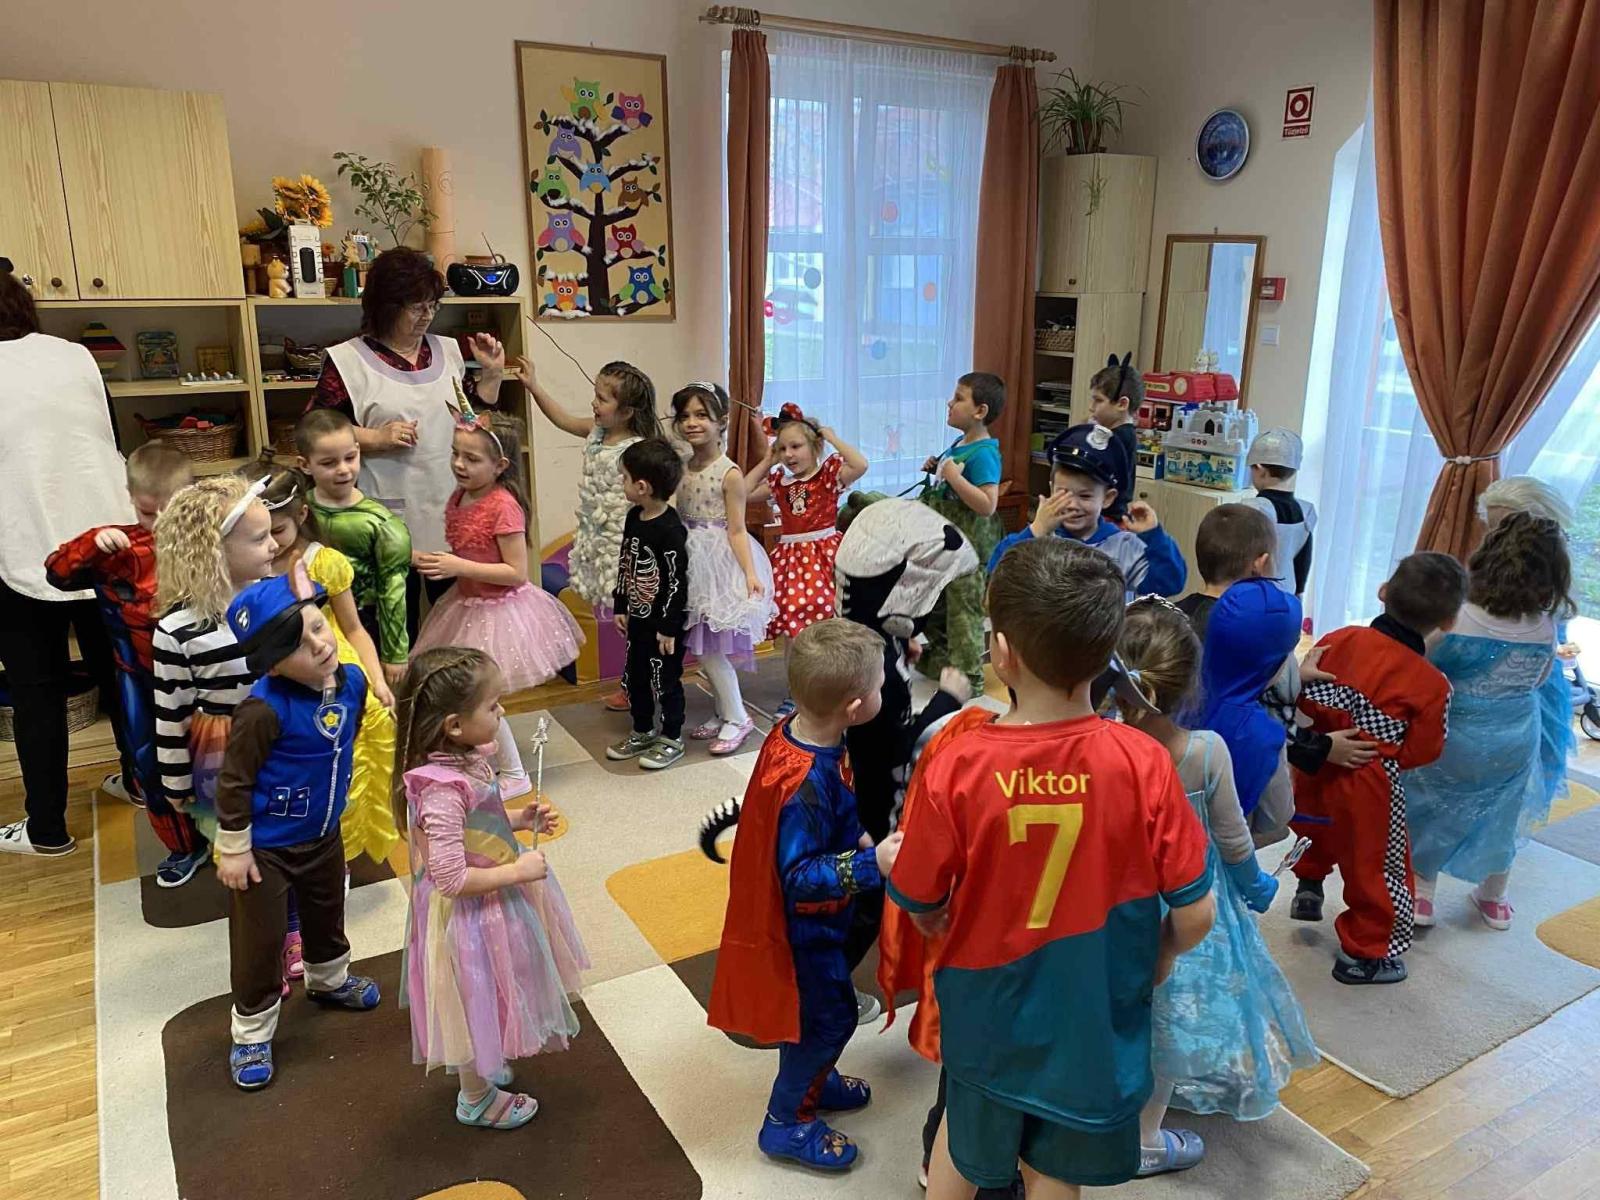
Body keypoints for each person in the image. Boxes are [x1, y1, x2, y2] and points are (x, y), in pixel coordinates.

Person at [887, 538, 1215, 1200]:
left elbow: (919, 896)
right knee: (1057, 1170)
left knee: (961, 1137)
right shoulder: (1145, 762)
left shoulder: (958, 761)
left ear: (1002, 652)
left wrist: (932, 920)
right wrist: (1159, 956)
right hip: (1092, 1013)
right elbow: (1197, 913)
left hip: (987, 1006)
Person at [1116, 597, 1317, 1178]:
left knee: (1118, 1011)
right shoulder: (1205, 752)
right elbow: (1233, 840)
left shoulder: (1100, 745)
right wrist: (1257, 887)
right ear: (1189, 684)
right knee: (1170, 1021)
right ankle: (1145, 1140)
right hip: (1188, 910)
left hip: (1115, 904)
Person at [707, 618, 898, 1172]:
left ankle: (816, 1077)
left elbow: (834, 811)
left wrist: (858, 836)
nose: (884, 691)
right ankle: (786, 1122)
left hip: (819, 923)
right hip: (802, 933)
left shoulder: (802, 730)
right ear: (855, 707)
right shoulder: (806, 780)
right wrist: (871, 863)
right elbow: (799, 876)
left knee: (816, 1018)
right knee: (829, 1019)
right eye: (881, 685)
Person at [396, 646, 588, 1129]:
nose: (502, 713)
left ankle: (487, 1060)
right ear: (454, 725)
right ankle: (476, 1097)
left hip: (491, 898)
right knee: (471, 999)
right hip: (469, 914)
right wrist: (518, 871)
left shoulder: (466, 761)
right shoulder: (441, 789)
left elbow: (476, 822)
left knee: (496, 987)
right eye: (493, 705)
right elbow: (451, 878)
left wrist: (518, 819)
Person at [214, 567, 380, 1090]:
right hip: (267, 850)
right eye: (300, 645)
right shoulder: (262, 710)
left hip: (325, 834)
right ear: (273, 664)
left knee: (327, 913)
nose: (320, 644)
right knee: (259, 941)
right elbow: (234, 781)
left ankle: (329, 981)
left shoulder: (353, 683)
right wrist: (234, 848)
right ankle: (251, 1030)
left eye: (318, 627)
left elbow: (346, 741)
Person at [0, 268, 134, 858]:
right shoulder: (76, 355)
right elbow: (109, 440)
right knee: (120, 672)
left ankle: (47, 830)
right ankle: (141, 783)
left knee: (36, 691)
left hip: (24, 542)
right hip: (105, 537)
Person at [305, 247, 507, 637]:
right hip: (386, 510)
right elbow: (316, 429)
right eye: (416, 307)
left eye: (432, 305)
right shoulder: (348, 360)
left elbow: (470, 418)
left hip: (452, 507)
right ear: (385, 306)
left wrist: (492, 374)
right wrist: (373, 437)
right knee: (396, 626)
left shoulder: (448, 350)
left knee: (460, 623)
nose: (427, 316)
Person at [1289, 552, 1467, 985]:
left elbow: (1304, 695)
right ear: (1448, 622)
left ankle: (1308, 886)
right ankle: (1365, 953)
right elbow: (1423, 750)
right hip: (1368, 780)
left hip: (1315, 759)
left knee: (1315, 825)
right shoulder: (1431, 685)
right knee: (1378, 865)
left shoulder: (1339, 638)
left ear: (1383, 592)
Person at [1407, 514, 1574, 931]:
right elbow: (1539, 680)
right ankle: (1494, 897)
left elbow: (1419, 664)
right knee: (1504, 814)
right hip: (1514, 738)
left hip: (1454, 735)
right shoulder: (1545, 626)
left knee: (1429, 807)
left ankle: (1422, 893)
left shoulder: (1459, 617)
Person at [44, 443, 200, 879]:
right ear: (130, 497)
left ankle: (231, 837)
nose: (160, 522)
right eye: (149, 512)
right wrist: (90, 545)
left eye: (171, 510)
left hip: (201, 677)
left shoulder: (208, 540)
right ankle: (184, 847)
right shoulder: (117, 547)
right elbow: (56, 573)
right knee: (151, 764)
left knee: (218, 758)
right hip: (142, 679)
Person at [255, 467, 397, 868]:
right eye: (260, 535)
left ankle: (341, 845)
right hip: (273, 661)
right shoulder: (251, 563)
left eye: (277, 531)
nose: (270, 545)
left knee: (364, 722)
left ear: (301, 515)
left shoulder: (325, 562)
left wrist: (377, 679)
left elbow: (353, 628)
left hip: (327, 653)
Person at [515, 356, 660, 714]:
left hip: (627, 545)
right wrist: (533, 386)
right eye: (595, 395)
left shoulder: (638, 449)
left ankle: (644, 682)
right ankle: (635, 681)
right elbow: (562, 419)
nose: (594, 404)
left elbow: (655, 496)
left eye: (602, 399)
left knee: (636, 620)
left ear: (627, 411)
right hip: (600, 542)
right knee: (623, 621)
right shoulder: (597, 433)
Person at [151, 476, 278, 848]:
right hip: (226, 750)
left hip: (283, 734)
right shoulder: (177, 631)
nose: (275, 545)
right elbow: (172, 713)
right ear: (214, 551)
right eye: (260, 539)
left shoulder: (274, 596)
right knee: (239, 836)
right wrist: (176, 782)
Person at [670, 382, 776, 756]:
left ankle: (737, 716)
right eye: (685, 416)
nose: (692, 423)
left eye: (702, 415)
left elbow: (736, 529)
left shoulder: (729, 473)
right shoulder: (682, 467)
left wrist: (750, 573)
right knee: (702, 645)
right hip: (688, 558)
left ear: (721, 421)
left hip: (717, 563)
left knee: (709, 647)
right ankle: (721, 711)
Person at [744, 403, 868, 716]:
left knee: (830, 625)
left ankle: (834, 685)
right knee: (793, 630)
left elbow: (861, 464)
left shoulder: (828, 476)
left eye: (796, 446)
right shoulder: (779, 483)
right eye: (782, 448)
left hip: (825, 557)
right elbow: (741, 492)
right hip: (790, 562)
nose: (788, 454)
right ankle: (797, 691)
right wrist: (767, 459)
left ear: (814, 446)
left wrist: (832, 437)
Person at [1476, 476, 1580, 824]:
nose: (1497, 539)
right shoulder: (1495, 567)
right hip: (1490, 681)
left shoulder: (1548, 574)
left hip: (1533, 683)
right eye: (1492, 530)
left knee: (1531, 761)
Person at [988, 423, 1187, 601]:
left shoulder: (1123, 547)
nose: (1073, 504)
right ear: (1051, 488)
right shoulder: (1038, 539)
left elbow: (1170, 583)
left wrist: (1153, 536)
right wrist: (1035, 530)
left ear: (1108, 498)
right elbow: (998, 575)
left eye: (1085, 496)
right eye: (1063, 493)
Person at [297, 409, 413, 690]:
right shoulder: (299, 512)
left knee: (363, 693)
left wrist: (394, 654)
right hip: (307, 626)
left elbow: (393, 589)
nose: (343, 469)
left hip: (363, 623)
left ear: (359, 451)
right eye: (328, 463)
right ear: (305, 464)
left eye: (350, 458)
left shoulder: (381, 523)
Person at [917, 372, 1006, 695]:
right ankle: (943, 662)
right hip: (947, 547)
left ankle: (969, 680)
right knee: (936, 608)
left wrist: (953, 477)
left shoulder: (984, 454)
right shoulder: (960, 444)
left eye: (958, 398)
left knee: (963, 616)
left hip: (969, 554)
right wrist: (938, 468)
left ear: (980, 411)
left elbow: (987, 504)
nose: (950, 403)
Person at [606, 438, 690, 770]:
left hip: (664, 625)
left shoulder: (671, 529)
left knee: (665, 680)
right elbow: (626, 561)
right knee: (635, 676)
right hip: (638, 620)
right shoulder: (634, 517)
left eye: (624, 478)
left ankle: (671, 736)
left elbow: (677, 582)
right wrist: (620, 603)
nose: (622, 483)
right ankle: (642, 730)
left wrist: (669, 627)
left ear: (642, 486)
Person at [1245, 428, 1317, 597]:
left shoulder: (1254, 509)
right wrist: (1298, 595)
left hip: (1254, 595)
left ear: (1260, 468)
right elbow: (1303, 561)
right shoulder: (1305, 511)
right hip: (1288, 596)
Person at [1088, 354, 1143, 523]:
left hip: (1109, 516)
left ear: (1122, 404)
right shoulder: (1120, 433)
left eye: (1098, 401)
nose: (1091, 407)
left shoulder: (1118, 438)